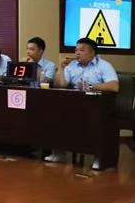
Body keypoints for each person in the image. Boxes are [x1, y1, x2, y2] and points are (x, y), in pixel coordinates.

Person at [47, 38, 119, 169]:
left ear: (92, 52)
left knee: (96, 121)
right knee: (55, 114)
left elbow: (114, 86)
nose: (77, 53)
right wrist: (61, 68)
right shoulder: (72, 66)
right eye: (76, 50)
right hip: (75, 102)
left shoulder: (104, 66)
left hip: (97, 103)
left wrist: (91, 87)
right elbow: (60, 85)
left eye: (81, 50)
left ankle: (99, 157)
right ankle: (59, 153)